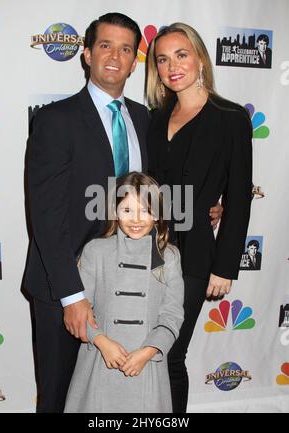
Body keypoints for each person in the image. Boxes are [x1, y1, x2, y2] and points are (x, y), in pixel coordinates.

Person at [25, 12, 149, 413]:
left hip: (124, 284)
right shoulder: (54, 120)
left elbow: (152, 195)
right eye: (105, 45)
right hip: (65, 288)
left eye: (126, 49)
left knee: (110, 398)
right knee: (59, 398)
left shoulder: (144, 119)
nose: (115, 56)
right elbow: (45, 215)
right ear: (87, 54)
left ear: (134, 61)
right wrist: (72, 296)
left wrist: (203, 209)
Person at [146, 22, 253, 412]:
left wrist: (224, 267)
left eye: (181, 54)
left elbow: (239, 197)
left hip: (194, 254)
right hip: (146, 249)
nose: (172, 65)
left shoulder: (230, 118)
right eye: (162, 58)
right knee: (145, 346)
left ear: (200, 59)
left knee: (170, 353)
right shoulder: (154, 118)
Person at [64, 172, 184, 413]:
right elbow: (80, 309)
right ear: (114, 211)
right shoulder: (95, 251)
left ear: (158, 214)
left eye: (145, 210)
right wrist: (101, 341)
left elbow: (172, 314)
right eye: (127, 210)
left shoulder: (168, 256)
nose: (136, 219)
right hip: (100, 360)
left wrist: (149, 351)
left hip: (147, 363)